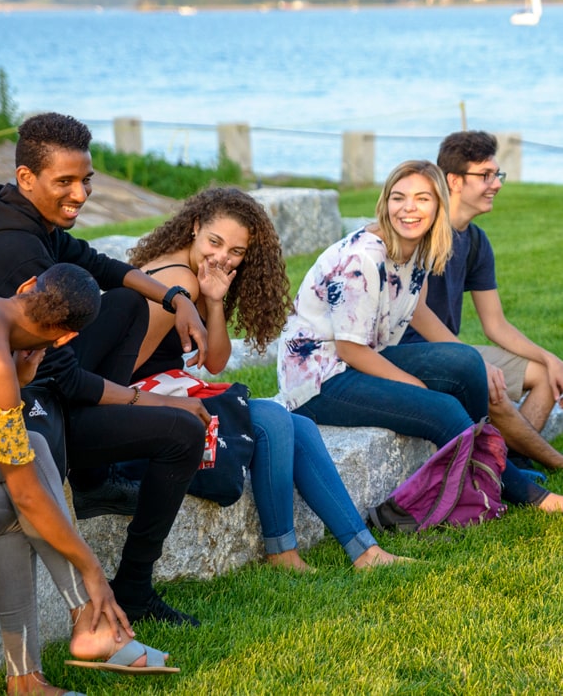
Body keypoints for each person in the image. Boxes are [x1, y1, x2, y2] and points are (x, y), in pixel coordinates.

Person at [0, 112, 210, 625]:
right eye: (65, 182)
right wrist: (162, 403)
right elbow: (68, 380)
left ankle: (97, 477)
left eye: (86, 180)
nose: (80, 194)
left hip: (42, 377)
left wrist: (175, 298)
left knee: (126, 302)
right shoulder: (13, 250)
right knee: (181, 433)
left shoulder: (24, 216)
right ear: (27, 179)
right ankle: (135, 589)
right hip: (35, 404)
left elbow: (101, 265)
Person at [128, 186, 408, 572]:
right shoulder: (178, 280)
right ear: (194, 228)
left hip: (169, 390)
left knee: (301, 426)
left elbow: (214, 361)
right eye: (215, 241)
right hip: (143, 408)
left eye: (236, 252)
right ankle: (283, 553)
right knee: (272, 420)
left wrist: (213, 302)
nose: (222, 257)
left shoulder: (199, 278)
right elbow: (121, 369)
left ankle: (364, 550)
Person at [277, 159, 563, 513]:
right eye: (399, 198)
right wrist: (412, 385)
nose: (409, 209)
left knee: (467, 363)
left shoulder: (418, 249)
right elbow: (351, 350)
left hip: (358, 358)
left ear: (439, 205)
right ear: (385, 203)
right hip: (319, 380)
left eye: (422, 199)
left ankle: (489, 471)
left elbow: (418, 310)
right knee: (443, 409)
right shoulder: (362, 259)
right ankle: (529, 495)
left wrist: (474, 361)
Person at [0, 263, 177, 696]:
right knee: (19, 506)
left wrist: (22, 378)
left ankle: (59, 650)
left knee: (34, 449)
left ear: (27, 286)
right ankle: (77, 630)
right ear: (64, 338)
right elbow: (28, 496)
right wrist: (92, 570)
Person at [401, 131, 563, 471]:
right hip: (410, 354)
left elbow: (496, 324)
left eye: (496, 175)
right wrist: (470, 360)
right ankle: (552, 463)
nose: (497, 184)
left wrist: (550, 359)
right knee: (494, 390)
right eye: (485, 175)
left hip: (453, 351)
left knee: (547, 378)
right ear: (454, 181)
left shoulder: (475, 241)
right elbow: (416, 314)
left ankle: (509, 463)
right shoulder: (423, 232)